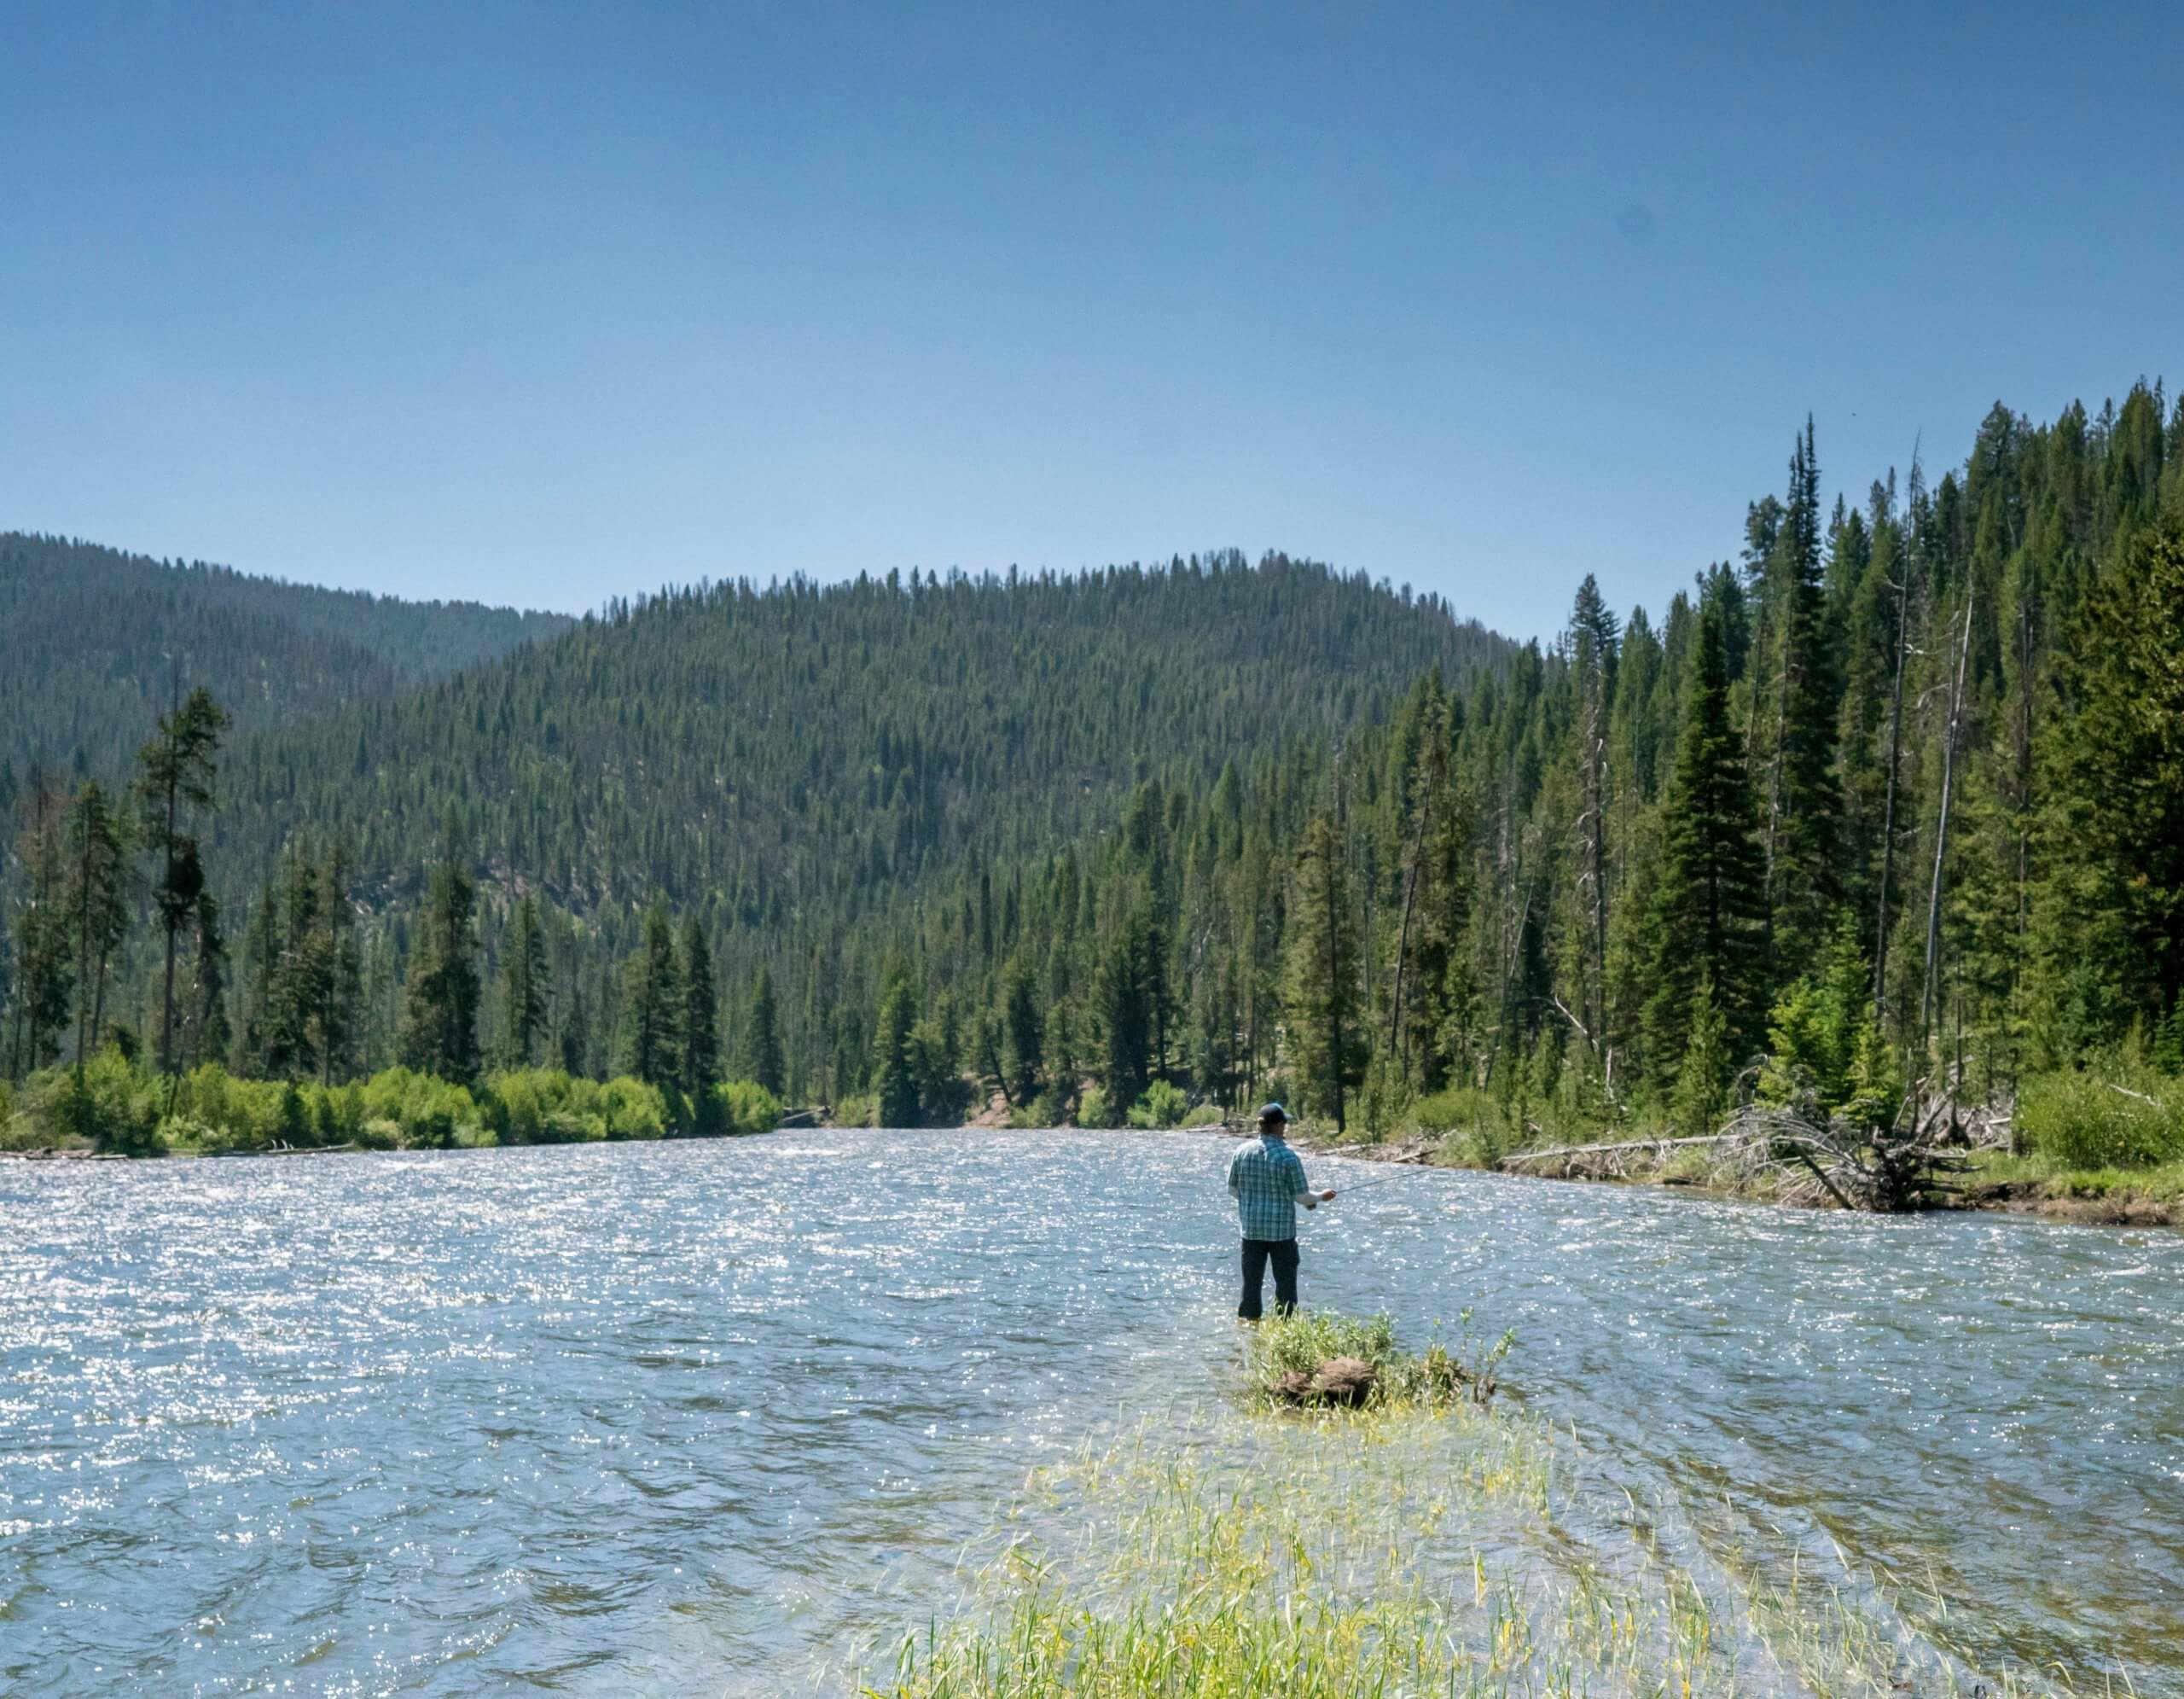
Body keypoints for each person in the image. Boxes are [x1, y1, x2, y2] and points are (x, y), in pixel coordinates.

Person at [1226, 1102, 1335, 1320]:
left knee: (1251, 1286)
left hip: (1251, 1231)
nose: (1286, 1126)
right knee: (1285, 1286)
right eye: (1284, 1122)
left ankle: (1249, 1328)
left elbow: (1233, 1190)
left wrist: (1252, 1203)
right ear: (1277, 1126)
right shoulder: (1288, 1157)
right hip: (1282, 1235)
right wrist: (1322, 1197)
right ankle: (1285, 1329)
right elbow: (1301, 1197)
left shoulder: (1241, 1152)